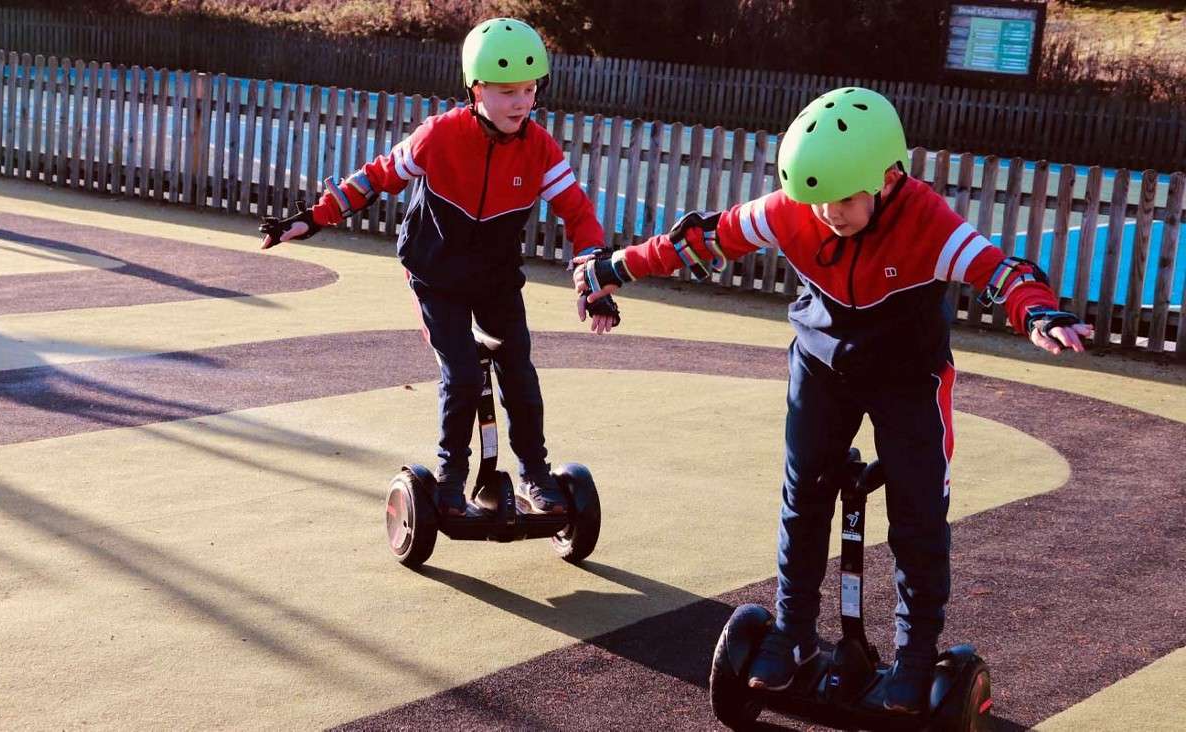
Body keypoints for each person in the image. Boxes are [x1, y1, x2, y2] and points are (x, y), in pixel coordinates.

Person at [572, 87, 1091, 713]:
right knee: (804, 493)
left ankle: (915, 655)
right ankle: (792, 635)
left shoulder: (927, 222)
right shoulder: (795, 209)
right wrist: (616, 268)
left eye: (845, 199)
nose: (829, 215)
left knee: (918, 512)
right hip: (822, 364)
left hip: (909, 376)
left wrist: (1036, 312)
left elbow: (1000, 271)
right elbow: (703, 239)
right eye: (817, 199)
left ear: (890, 176)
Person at [260, 18, 620, 517]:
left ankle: (535, 473)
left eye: (530, 89)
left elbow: (579, 215)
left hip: (494, 276)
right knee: (464, 373)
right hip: (436, 273)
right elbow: (379, 175)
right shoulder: (440, 136)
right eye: (508, 90)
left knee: (519, 370)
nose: (523, 102)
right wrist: (315, 218)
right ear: (476, 89)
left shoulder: (540, 150)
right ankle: (451, 473)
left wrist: (594, 281)